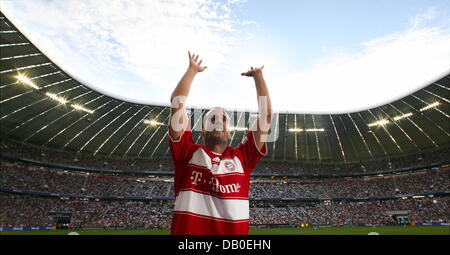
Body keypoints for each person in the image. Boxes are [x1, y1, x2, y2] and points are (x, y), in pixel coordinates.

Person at [168, 51, 272, 235]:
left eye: (224, 118)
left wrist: (258, 77)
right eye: (212, 118)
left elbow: (266, 117)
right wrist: (192, 70)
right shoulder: (186, 153)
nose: (218, 120)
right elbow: (177, 102)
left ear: (230, 134)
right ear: (202, 132)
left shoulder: (243, 157)